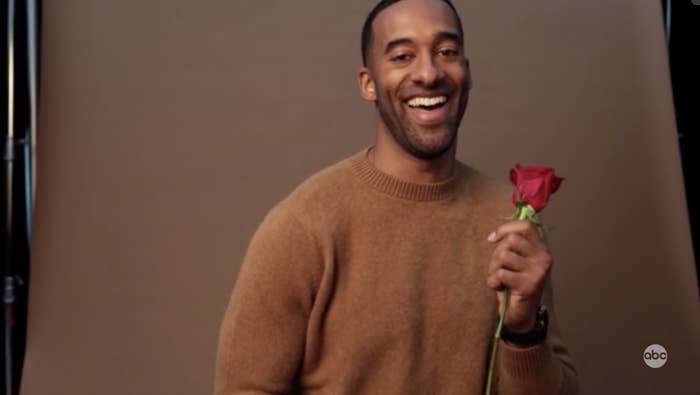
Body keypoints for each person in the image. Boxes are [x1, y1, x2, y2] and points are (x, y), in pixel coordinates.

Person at [214, 0, 578, 393]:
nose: (428, 72)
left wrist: (523, 331)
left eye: (446, 52)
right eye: (402, 56)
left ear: (467, 73)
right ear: (368, 83)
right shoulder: (303, 226)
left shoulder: (511, 221)